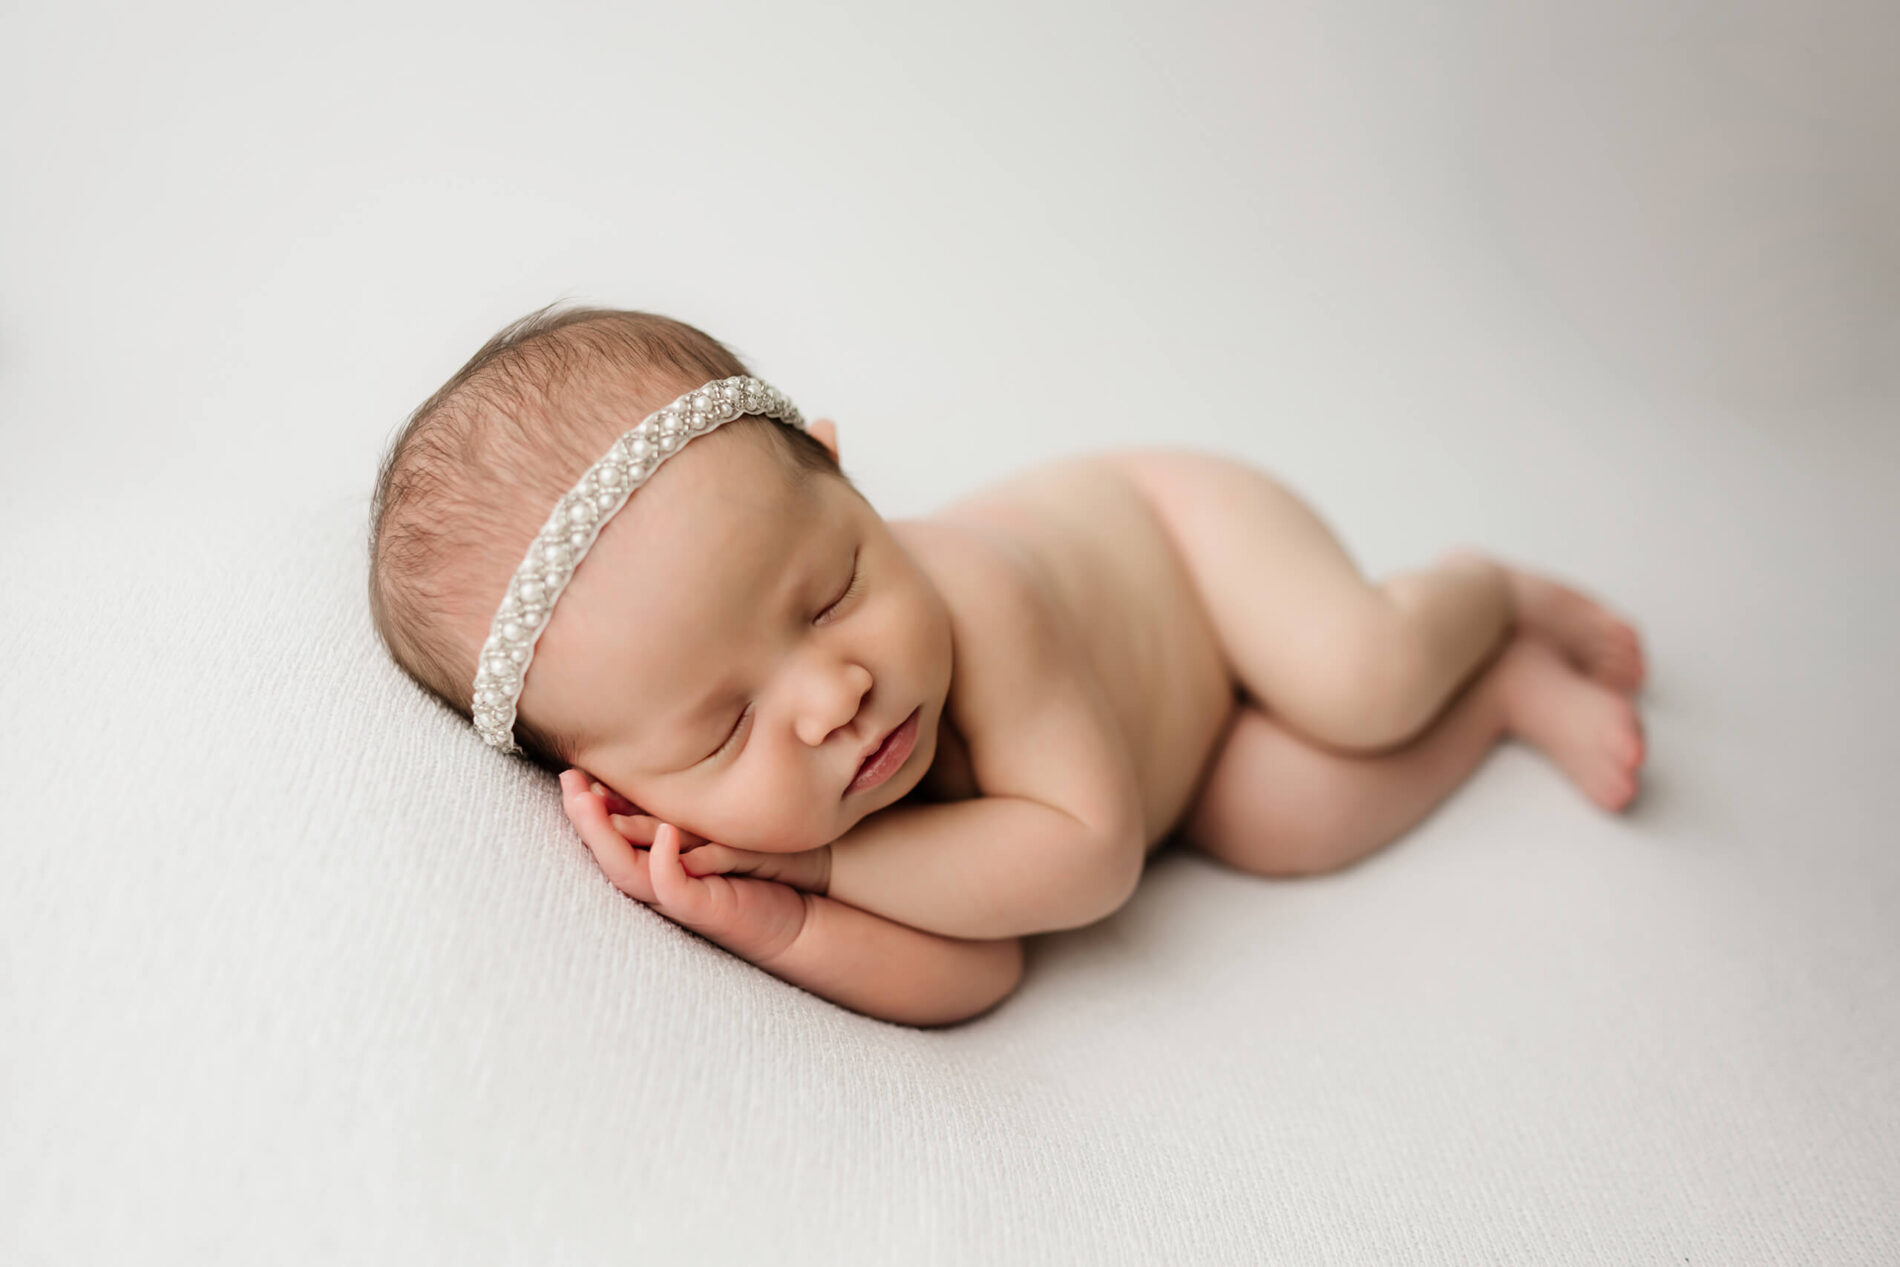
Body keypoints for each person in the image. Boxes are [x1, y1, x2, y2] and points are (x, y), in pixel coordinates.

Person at [368, 304, 1647, 1028]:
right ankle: (1498, 696)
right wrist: (780, 921)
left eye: (830, 593)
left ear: (843, 474)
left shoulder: (977, 592)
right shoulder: (771, 824)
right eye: (721, 731)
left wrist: (821, 859)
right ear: (619, 788)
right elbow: (977, 966)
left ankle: (1477, 595)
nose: (832, 698)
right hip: (1174, 766)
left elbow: (1085, 862)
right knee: (1278, 818)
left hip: (1184, 546)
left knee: (1354, 677)